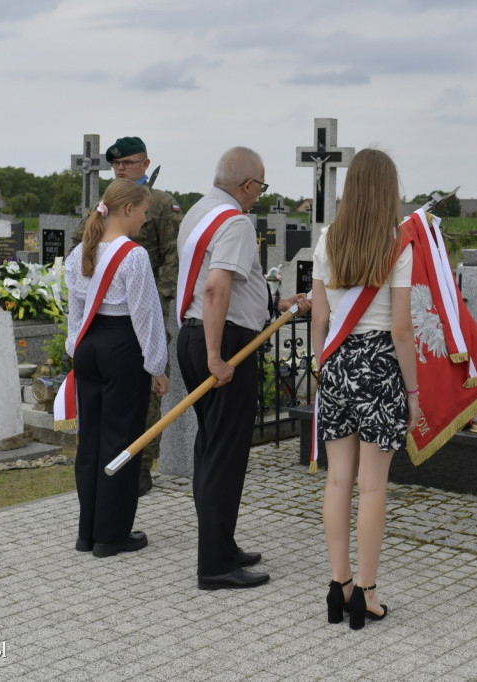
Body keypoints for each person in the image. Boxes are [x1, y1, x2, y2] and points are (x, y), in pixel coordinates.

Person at [176, 146, 309, 589]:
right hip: (224, 343)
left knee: (212, 447)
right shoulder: (234, 222)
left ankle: (221, 543)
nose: (259, 197)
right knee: (225, 455)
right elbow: (216, 289)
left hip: (196, 335)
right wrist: (217, 357)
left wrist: (275, 303)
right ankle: (214, 565)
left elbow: (224, 285)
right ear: (247, 184)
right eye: (261, 187)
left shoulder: (199, 211)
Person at [311, 149, 419, 630]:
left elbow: (319, 316)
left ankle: (340, 586)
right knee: (372, 486)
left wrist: (322, 367)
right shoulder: (398, 243)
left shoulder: (327, 240)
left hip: (336, 364)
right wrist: (413, 394)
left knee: (337, 480)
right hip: (379, 366)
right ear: (388, 190)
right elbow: (400, 330)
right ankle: (367, 595)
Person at [65, 179, 169, 558]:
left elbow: (75, 317)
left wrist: (76, 350)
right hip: (122, 347)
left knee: (90, 439)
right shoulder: (134, 256)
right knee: (122, 439)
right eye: (143, 212)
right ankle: (112, 535)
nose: (145, 220)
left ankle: (88, 532)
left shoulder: (79, 253)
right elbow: (146, 316)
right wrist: (157, 366)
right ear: (128, 209)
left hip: (88, 347)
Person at [72, 136, 181, 497]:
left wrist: (159, 300)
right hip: (109, 307)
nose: (122, 169)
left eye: (129, 163)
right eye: (117, 164)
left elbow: (172, 260)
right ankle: (115, 467)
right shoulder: (106, 204)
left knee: (146, 394)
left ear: (146, 164)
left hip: (145, 304)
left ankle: (142, 463)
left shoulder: (161, 204)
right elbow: (84, 247)